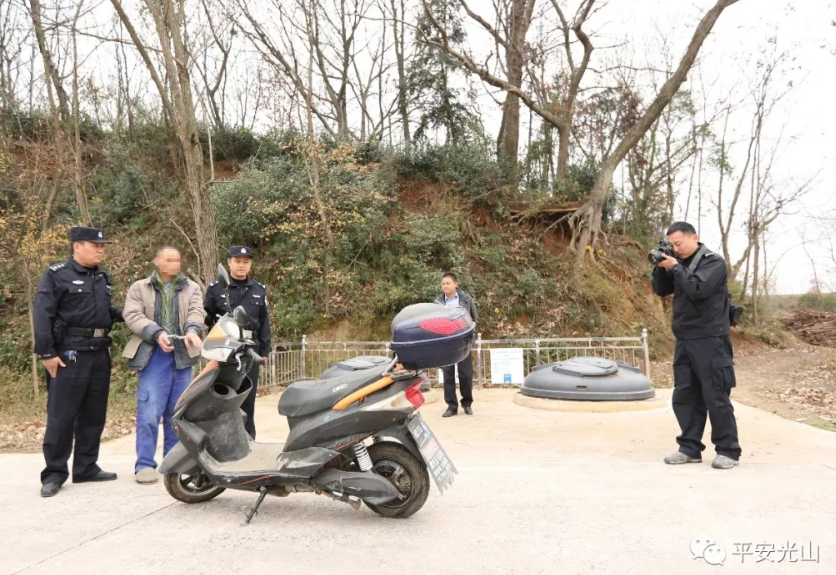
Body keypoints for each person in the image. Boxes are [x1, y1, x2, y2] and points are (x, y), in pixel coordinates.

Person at [34, 226, 125, 498]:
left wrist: (129, 314)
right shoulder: (56, 274)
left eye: (102, 246)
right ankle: (54, 473)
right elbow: (42, 314)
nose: (100, 249)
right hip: (69, 354)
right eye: (95, 245)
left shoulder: (102, 277)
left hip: (99, 351)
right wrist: (47, 353)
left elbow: (104, 312)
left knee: (94, 414)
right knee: (62, 415)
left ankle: (86, 467)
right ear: (76, 246)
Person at [651, 221, 742, 470]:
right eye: (672, 245)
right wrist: (660, 266)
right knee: (685, 396)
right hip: (685, 339)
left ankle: (728, 451)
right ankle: (689, 448)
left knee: (716, 396)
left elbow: (698, 288)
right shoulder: (678, 263)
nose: (676, 249)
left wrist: (675, 266)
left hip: (711, 339)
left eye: (679, 243)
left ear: (694, 238)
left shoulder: (713, 262)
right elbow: (661, 290)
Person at [122, 247, 205, 485]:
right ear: (157, 261)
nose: (174, 263)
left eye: (177, 259)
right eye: (168, 259)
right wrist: (156, 333)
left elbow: (197, 312)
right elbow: (132, 315)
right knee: (149, 411)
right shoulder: (140, 287)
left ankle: (173, 463)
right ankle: (145, 464)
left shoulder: (192, 288)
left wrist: (193, 330)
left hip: (182, 355)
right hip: (153, 355)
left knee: (177, 413)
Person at [204, 246, 271, 438]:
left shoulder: (258, 290)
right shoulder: (216, 289)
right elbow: (207, 319)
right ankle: (222, 441)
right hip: (224, 350)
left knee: (247, 399)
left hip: (250, 350)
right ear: (229, 263)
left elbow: (264, 322)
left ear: (250, 264)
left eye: (246, 262)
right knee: (222, 397)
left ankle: (249, 440)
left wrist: (265, 351)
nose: (241, 265)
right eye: (237, 261)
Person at [434, 272, 479, 417]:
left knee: (465, 374)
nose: (445, 286)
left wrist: (470, 336)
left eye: (448, 283)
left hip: (463, 340)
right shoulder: (438, 302)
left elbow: (474, 318)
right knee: (448, 375)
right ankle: (451, 406)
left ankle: (467, 403)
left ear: (455, 284)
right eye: (443, 284)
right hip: (446, 342)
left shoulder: (466, 299)